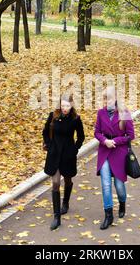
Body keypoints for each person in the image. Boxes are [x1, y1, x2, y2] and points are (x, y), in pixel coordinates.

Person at [94, 86, 135, 230]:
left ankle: (122, 203)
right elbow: (97, 132)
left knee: (119, 186)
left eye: (109, 98)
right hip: (105, 150)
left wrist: (116, 141)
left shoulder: (125, 113)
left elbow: (131, 135)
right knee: (106, 184)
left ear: (116, 98)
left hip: (119, 152)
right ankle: (108, 215)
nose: (106, 101)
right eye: (104, 98)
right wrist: (105, 141)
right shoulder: (100, 113)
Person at [42, 94, 85, 230]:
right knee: (55, 183)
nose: (65, 108)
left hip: (68, 155)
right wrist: (49, 145)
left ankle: (65, 202)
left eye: (67, 105)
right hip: (54, 154)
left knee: (67, 180)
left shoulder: (75, 119)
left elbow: (81, 136)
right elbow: (44, 132)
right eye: (63, 105)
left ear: (71, 106)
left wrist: (75, 149)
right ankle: (56, 217)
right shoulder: (53, 116)